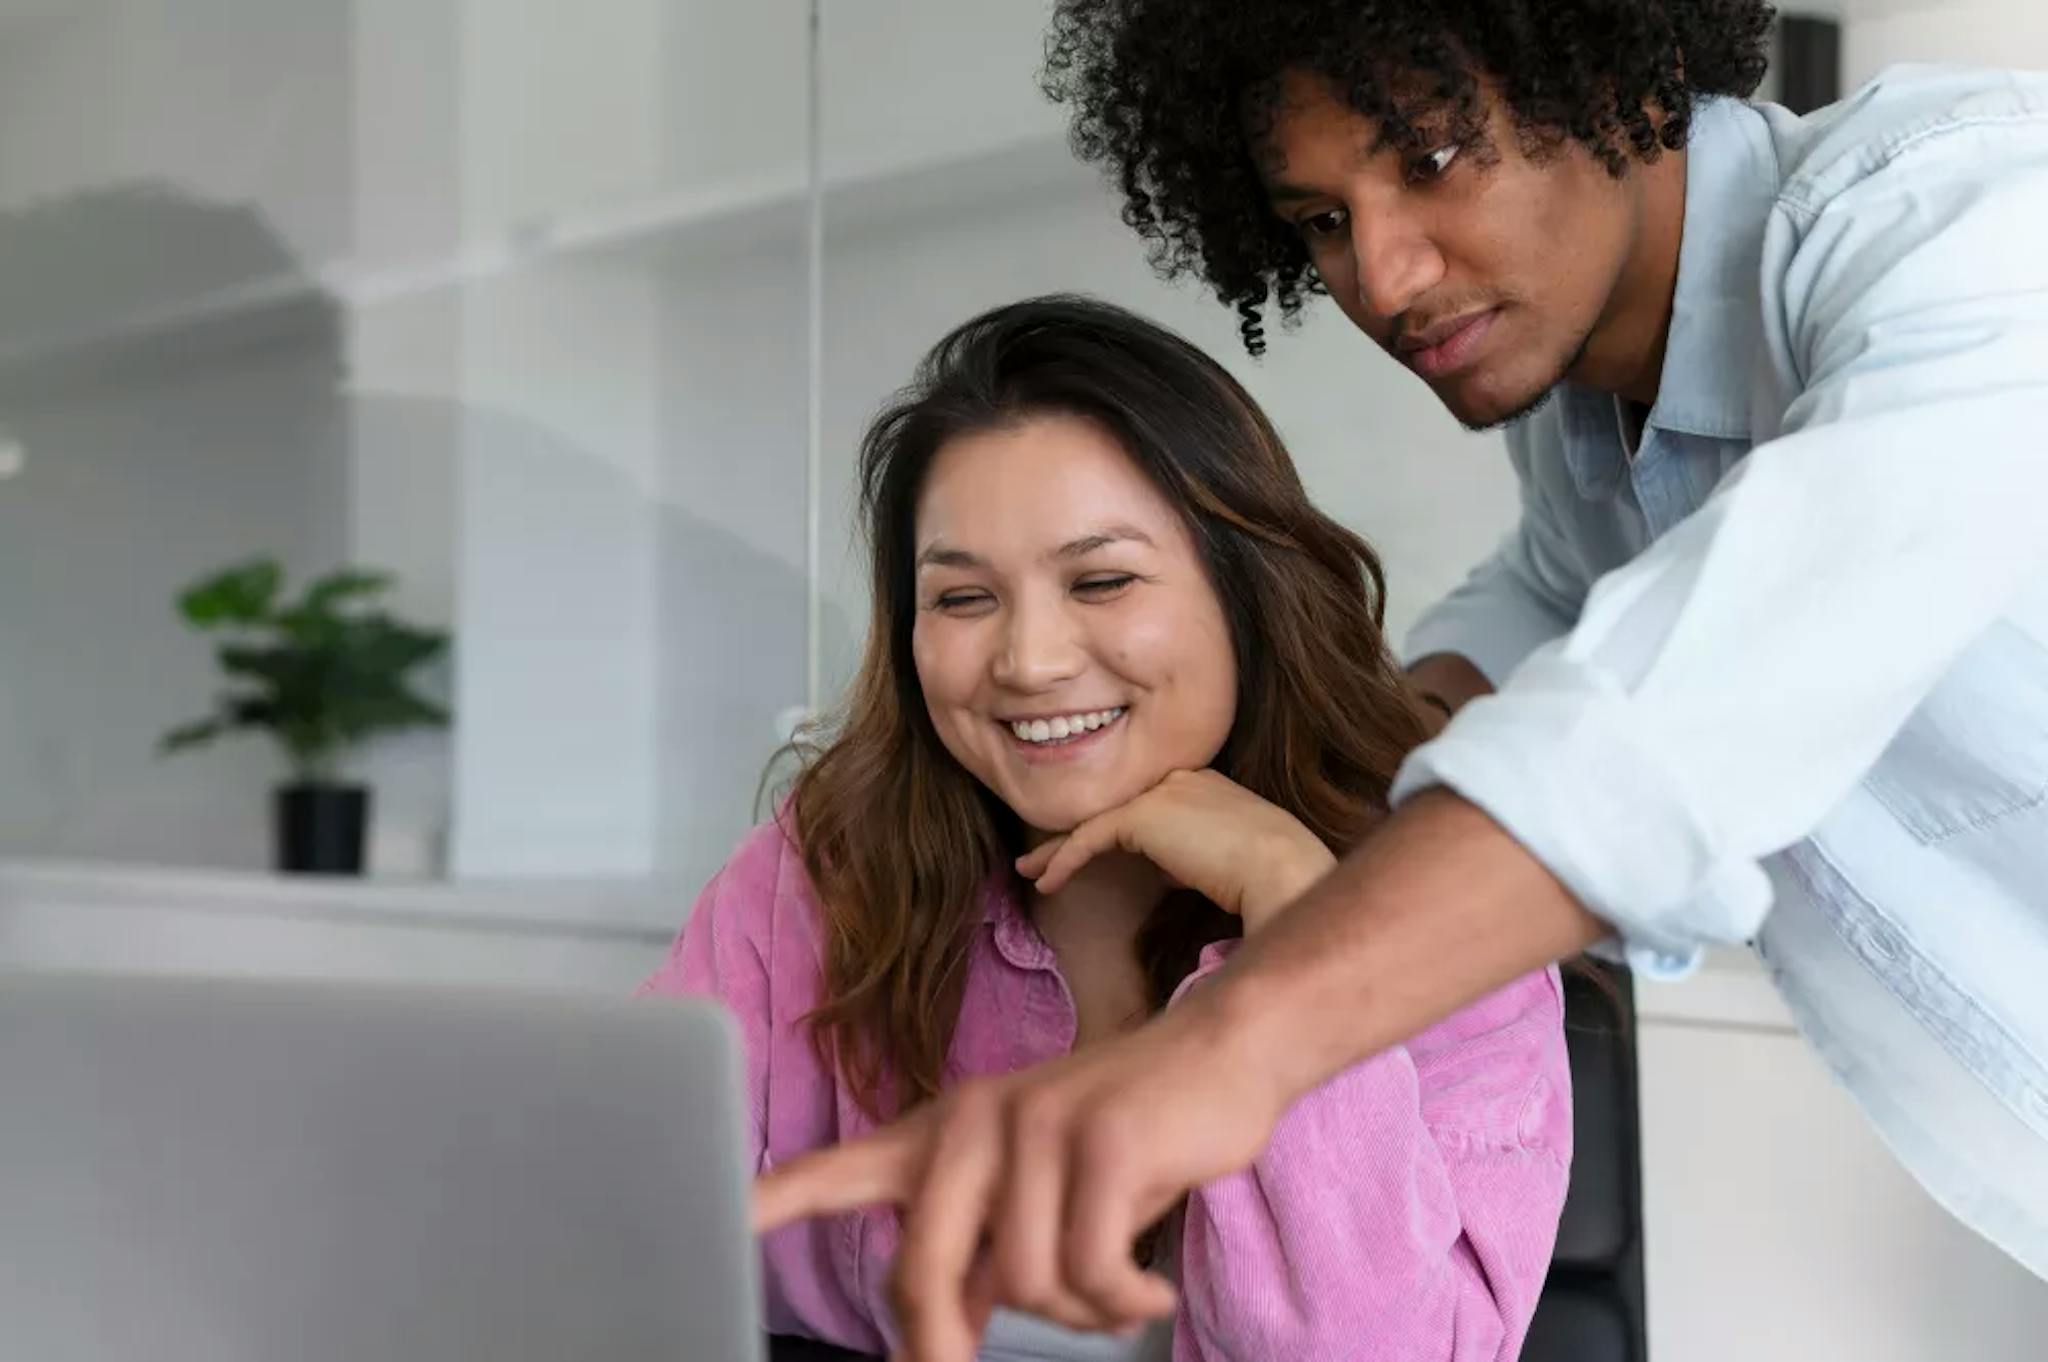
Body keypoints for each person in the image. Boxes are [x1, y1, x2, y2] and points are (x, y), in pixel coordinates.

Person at [756, 2, 2048, 1357]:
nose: (1380, 275)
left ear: (1623, 74)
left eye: (1431, 160)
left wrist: (1228, 1044)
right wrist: (1281, 768)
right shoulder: (1595, 428)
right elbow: (1538, 600)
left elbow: (1693, 703)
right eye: (1318, 219)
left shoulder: (1962, 234)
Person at [644, 296, 1571, 1361]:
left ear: (1246, 595)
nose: (1028, 661)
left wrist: (1291, 902)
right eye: (960, 599)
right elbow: (608, 1211)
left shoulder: (1452, 922)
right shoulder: (819, 872)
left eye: (1100, 581)